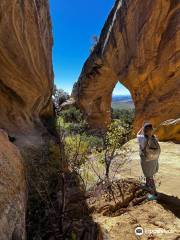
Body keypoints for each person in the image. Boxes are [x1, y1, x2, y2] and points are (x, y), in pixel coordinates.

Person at [137, 122, 161, 200]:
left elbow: (137, 134)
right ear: (151, 130)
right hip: (154, 160)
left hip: (146, 160)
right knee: (150, 175)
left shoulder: (141, 138)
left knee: (149, 177)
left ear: (144, 131)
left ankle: (154, 194)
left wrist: (141, 128)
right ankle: (148, 186)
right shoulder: (155, 138)